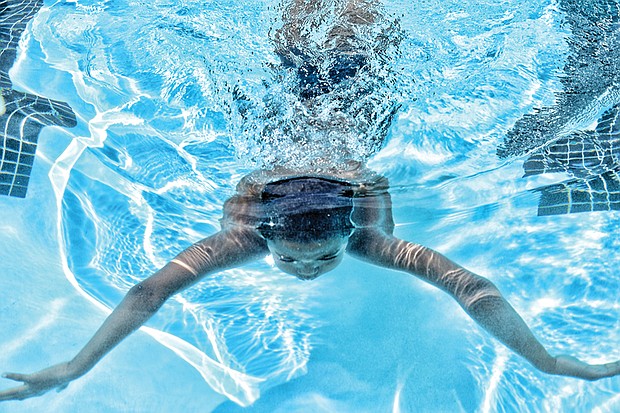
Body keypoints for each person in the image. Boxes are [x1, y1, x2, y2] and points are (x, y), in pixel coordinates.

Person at [2, 0, 620, 403]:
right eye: (310, 262)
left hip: (323, 87)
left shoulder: (341, 238)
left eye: (308, 261)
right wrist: (547, 359)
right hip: (337, 86)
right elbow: (469, 288)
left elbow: (472, 288)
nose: (304, 271)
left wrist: (79, 364)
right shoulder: (312, 235)